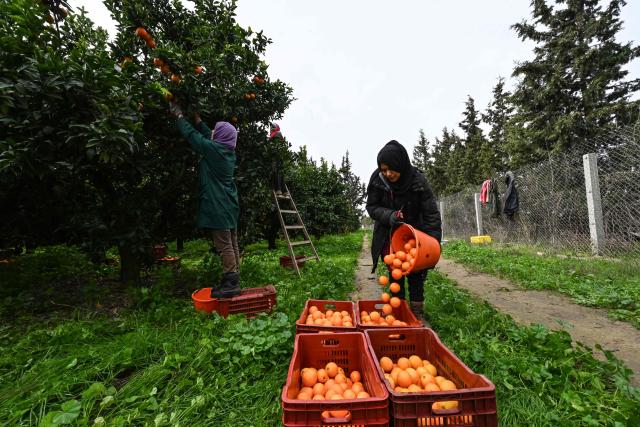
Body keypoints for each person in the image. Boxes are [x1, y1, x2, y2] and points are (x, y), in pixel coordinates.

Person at [170, 102, 241, 298]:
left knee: (224, 244)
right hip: (229, 204)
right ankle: (234, 278)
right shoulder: (227, 151)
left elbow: (194, 137)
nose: (212, 133)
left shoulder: (213, 150)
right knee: (232, 242)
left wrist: (179, 117)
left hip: (219, 204)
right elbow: (209, 134)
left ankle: (230, 282)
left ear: (220, 138)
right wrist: (198, 119)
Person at [366, 140, 442, 320]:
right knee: (395, 271)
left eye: (391, 169)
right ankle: (398, 309)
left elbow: (430, 212)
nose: (388, 173)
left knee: (415, 272)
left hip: (414, 234)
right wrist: (389, 215)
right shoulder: (378, 180)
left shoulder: (417, 180)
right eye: (384, 169)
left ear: (401, 164)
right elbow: (372, 207)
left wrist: (434, 242)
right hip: (389, 233)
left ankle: (416, 312)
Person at [268, 124, 287, 196]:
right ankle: (284, 190)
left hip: (276, 156)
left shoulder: (277, 133)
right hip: (280, 156)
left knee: (275, 171)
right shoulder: (275, 134)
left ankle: (278, 189)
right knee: (280, 173)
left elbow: (274, 146)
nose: (271, 129)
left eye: (272, 127)